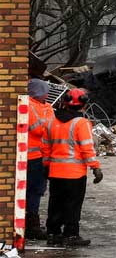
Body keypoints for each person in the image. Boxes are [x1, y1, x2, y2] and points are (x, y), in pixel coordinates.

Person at [41, 88, 103, 247]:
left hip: (55, 172)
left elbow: (46, 147)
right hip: (74, 174)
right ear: (83, 105)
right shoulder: (81, 123)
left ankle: (53, 233)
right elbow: (87, 148)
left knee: (55, 203)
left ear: (64, 103)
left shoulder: (51, 121)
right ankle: (71, 235)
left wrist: (46, 166)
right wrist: (95, 167)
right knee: (73, 205)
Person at [27, 79, 55, 240]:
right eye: (45, 91)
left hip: (43, 156)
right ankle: (31, 223)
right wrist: (48, 127)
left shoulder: (47, 106)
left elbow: (51, 127)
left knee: (37, 191)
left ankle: (31, 220)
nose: (47, 94)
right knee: (34, 191)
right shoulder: (28, 106)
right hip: (32, 157)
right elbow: (37, 129)